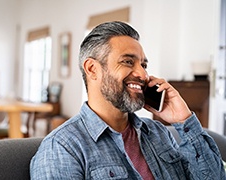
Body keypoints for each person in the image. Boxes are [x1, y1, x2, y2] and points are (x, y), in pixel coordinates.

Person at [30, 21, 226, 179]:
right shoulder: (62, 148)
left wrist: (184, 120)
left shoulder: (159, 134)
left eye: (144, 64)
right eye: (128, 62)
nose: (142, 74)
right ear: (92, 69)